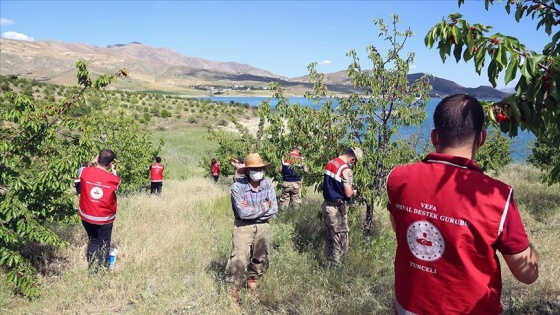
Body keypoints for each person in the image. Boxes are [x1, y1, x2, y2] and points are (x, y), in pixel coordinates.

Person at [386, 94, 539, 314]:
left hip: (409, 306)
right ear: (482, 138)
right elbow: (528, 274)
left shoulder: (397, 178)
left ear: (434, 137)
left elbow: (399, 228)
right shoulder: (497, 196)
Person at [225, 153, 278, 300]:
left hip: (263, 227)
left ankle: (252, 283)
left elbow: (274, 210)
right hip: (243, 227)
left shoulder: (267, 184)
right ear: (247, 170)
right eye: (255, 168)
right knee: (239, 256)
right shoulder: (237, 187)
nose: (258, 171)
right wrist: (264, 206)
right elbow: (243, 213)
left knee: (259, 257)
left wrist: (252, 210)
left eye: (260, 168)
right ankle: (234, 289)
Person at [79, 149, 120, 272]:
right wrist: (113, 172)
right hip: (104, 218)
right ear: (111, 163)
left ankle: (92, 269)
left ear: (97, 158)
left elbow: (82, 170)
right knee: (104, 243)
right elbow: (117, 184)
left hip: (86, 215)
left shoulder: (84, 172)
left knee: (93, 240)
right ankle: (102, 269)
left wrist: (91, 163)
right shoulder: (113, 179)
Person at [322, 147, 362, 266]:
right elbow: (348, 193)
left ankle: (326, 264)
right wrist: (355, 192)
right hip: (337, 209)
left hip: (326, 205)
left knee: (329, 238)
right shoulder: (346, 170)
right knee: (340, 240)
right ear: (352, 159)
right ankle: (337, 268)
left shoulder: (331, 162)